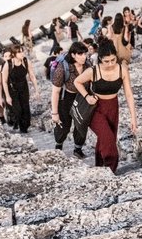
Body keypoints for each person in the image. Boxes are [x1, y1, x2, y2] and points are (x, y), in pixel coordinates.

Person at [73, 40, 137, 173]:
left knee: (107, 138)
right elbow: (77, 81)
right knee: (108, 139)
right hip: (96, 108)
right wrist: (87, 96)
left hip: (113, 107)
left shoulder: (122, 69)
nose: (110, 64)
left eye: (113, 60)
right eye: (106, 61)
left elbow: (129, 94)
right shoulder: (93, 71)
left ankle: (100, 168)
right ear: (100, 59)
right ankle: (110, 170)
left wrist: (133, 119)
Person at [51, 41, 90, 158]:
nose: (84, 56)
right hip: (66, 98)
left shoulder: (88, 65)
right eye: (80, 54)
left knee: (81, 124)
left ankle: (78, 149)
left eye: (85, 54)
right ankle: (58, 146)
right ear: (73, 55)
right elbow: (55, 91)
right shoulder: (63, 68)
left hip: (82, 98)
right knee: (64, 126)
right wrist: (54, 113)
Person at [0, 44, 37, 133]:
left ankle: (25, 128)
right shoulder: (8, 64)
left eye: (22, 51)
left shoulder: (26, 61)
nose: (22, 54)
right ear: (14, 54)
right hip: (12, 89)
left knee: (26, 110)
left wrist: (36, 90)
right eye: (19, 52)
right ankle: (18, 126)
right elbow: (4, 81)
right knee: (18, 111)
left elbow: (32, 76)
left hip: (24, 88)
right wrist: (7, 96)